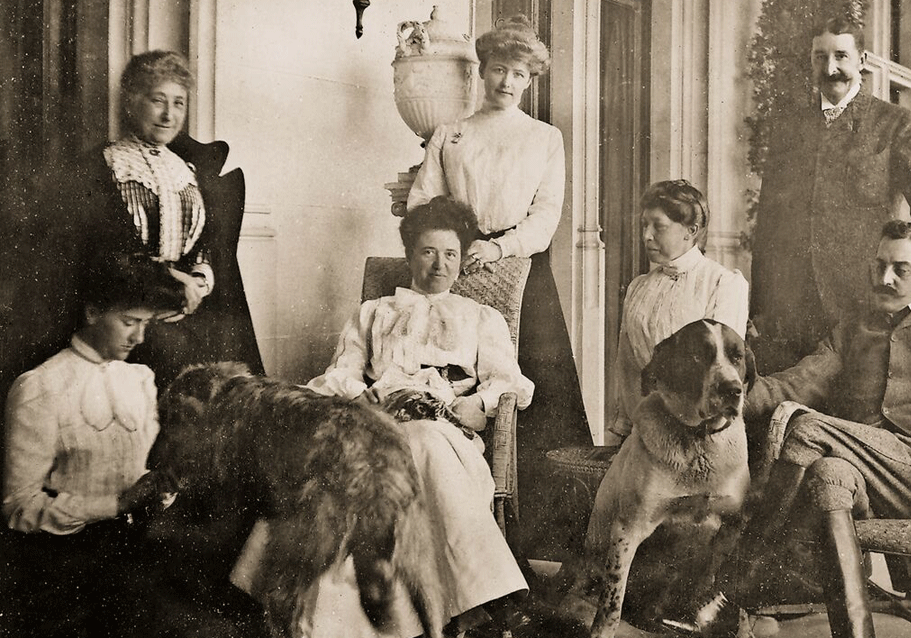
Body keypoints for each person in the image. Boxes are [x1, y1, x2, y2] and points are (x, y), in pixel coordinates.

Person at [691, 220, 911, 638]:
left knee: (809, 427)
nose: (885, 278)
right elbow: (794, 382)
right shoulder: (853, 330)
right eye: (879, 266)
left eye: (901, 269)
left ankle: (732, 586)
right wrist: (722, 401)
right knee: (828, 475)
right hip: (861, 478)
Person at [299, 196, 534, 636]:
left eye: (451, 254)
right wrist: (364, 397)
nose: (440, 265)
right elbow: (340, 374)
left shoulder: (482, 317)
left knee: (423, 440)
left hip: (447, 427)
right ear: (409, 255)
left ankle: (475, 598)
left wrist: (477, 404)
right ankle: (479, 601)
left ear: (462, 260)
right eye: (428, 252)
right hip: (379, 424)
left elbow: (511, 383)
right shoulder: (372, 314)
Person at [406, 16, 591, 559]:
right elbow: (423, 202)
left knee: (530, 397)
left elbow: (545, 214)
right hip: (457, 268)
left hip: (521, 274)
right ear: (482, 73)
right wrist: (460, 246)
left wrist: (502, 247)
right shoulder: (451, 133)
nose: (508, 82)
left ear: (530, 80)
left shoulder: (545, 138)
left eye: (519, 74)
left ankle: (538, 540)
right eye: (499, 71)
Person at [12, 49, 262, 392]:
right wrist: (168, 284)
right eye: (157, 100)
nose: (168, 115)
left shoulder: (190, 173)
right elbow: (100, 254)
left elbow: (206, 244)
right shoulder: (102, 167)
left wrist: (200, 280)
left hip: (192, 312)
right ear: (132, 102)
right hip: (129, 317)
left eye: (178, 103)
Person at [750, 17, 911, 375]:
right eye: (819, 57)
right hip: (791, 304)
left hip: (861, 301)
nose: (830, 68)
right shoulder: (789, 127)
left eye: (841, 55)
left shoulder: (895, 124)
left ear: (862, 60)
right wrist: (760, 306)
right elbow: (768, 223)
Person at [2, 252, 185, 637]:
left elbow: (144, 474)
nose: (139, 337)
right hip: (69, 570)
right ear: (92, 312)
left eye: (146, 323)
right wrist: (115, 505)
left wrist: (162, 488)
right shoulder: (42, 387)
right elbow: (18, 508)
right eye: (128, 322)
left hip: (141, 554)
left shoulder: (141, 378)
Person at [607, 180, 749, 445]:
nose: (647, 235)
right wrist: (624, 433)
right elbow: (627, 369)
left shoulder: (722, 283)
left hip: (703, 433)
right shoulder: (638, 288)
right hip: (646, 433)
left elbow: (721, 369)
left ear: (690, 231)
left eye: (658, 226)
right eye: (644, 225)